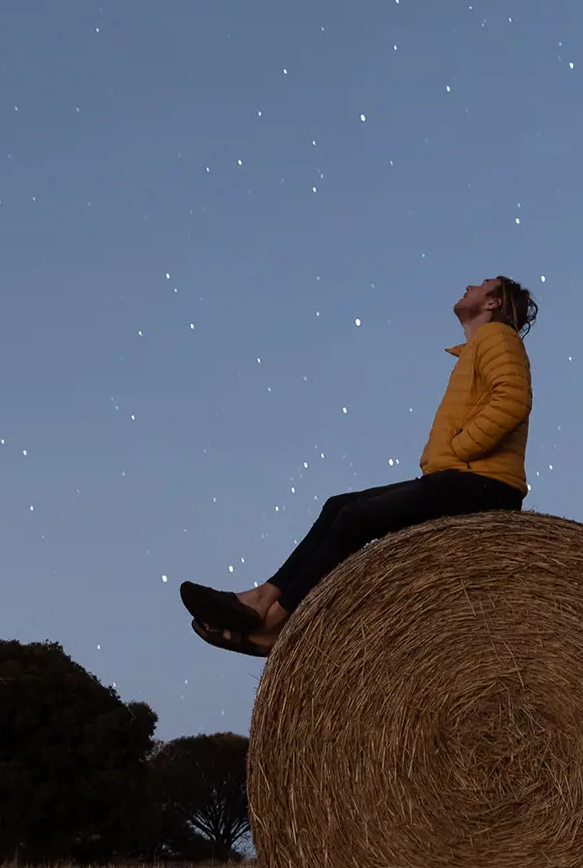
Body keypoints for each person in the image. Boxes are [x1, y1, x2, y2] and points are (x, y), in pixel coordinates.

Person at [182, 274, 537, 656]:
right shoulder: (475, 349)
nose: (469, 286)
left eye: (482, 285)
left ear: (493, 303)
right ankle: (260, 598)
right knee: (339, 507)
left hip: (481, 485)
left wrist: (461, 447)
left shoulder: (497, 337)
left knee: (355, 518)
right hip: (462, 479)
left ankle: (273, 625)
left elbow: (513, 400)